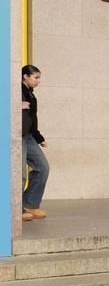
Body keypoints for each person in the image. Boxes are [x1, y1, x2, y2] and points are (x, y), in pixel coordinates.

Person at [20, 64, 49, 221]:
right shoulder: (12, 90)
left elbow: (32, 120)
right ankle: (14, 209)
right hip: (16, 137)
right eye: (36, 77)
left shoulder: (31, 95)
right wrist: (15, 106)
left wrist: (39, 138)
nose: (38, 81)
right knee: (19, 174)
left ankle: (30, 203)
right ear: (25, 76)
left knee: (42, 168)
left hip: (29, 137)